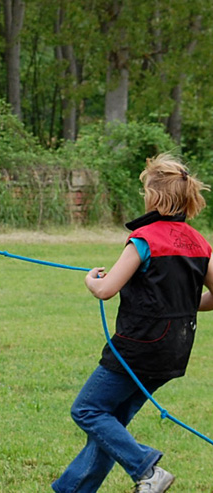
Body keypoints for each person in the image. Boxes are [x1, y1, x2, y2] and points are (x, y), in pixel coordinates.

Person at [52, 154, 213, 493]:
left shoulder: (144, 239)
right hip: (175, 350)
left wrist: (90, 280)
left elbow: (106, 290)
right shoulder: (200, 243)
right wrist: (183, 306)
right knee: (112, 422)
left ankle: (146, 469)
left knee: (88, 410)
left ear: (154, 197)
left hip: (139, 347)